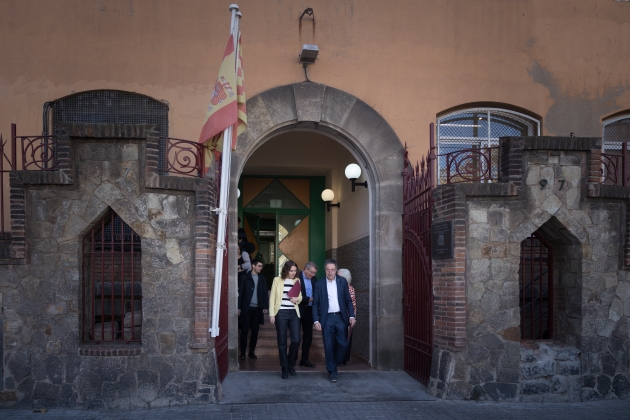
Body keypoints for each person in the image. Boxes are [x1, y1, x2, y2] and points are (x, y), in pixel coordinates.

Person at [312, 259, 355, 382]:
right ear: (325, 270)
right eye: (327, 269)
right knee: (328, 345)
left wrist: (352, 316)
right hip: (327, 318)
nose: (330, 272)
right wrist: (316, 321)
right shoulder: (319, 284)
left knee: (344, 343)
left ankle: (333, 363)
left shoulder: (342, 281)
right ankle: (332, 371)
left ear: (336, 270)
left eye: (332, 270)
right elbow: (315, 304)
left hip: (341, 317)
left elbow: (348, 301)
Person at [269, 260, 302, 379]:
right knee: (282, 341)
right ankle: (284, 367)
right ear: (286, 270)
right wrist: (272, 314)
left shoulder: (297, 281)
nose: (293, 273)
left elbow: (300, 297)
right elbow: (272, 297)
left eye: (295, 271)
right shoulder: (277, 280)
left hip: (293, 313)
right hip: (281, 313)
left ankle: (290, 362)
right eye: (291, 270)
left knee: (296, 340)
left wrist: (296, 300)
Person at [237, 259, 269, 360]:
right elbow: (240, 293)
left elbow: (264, 293)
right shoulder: (244, 277)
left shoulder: (262, 278)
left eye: (261, 266)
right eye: (259, 266)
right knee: (244, 331)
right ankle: (242, 353)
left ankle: (251, 352)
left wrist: (265, 306)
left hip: (257, 309)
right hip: (246, 308)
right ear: (253, 266)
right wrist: (238, 307)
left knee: (255, 332)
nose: (261, 268)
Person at [297, 262, 318, 367]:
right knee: (295, 336)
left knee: (308, 336)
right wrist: (307, 299)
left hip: (309, 311)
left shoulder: (314, 279)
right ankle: (292, 360)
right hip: (297, 310)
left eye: (314, 273)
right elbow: (292, 295)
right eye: (312, 272)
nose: (313, 275)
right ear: (305, 269)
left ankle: (304, 359)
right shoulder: (296, 277)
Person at [336, 268, 356, 366]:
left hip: (346, 318)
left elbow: (352, 305)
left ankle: (343, 359)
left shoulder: (350, 288)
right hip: (338, 316)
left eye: (339, 275)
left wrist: (352, 317)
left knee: (345, 338)